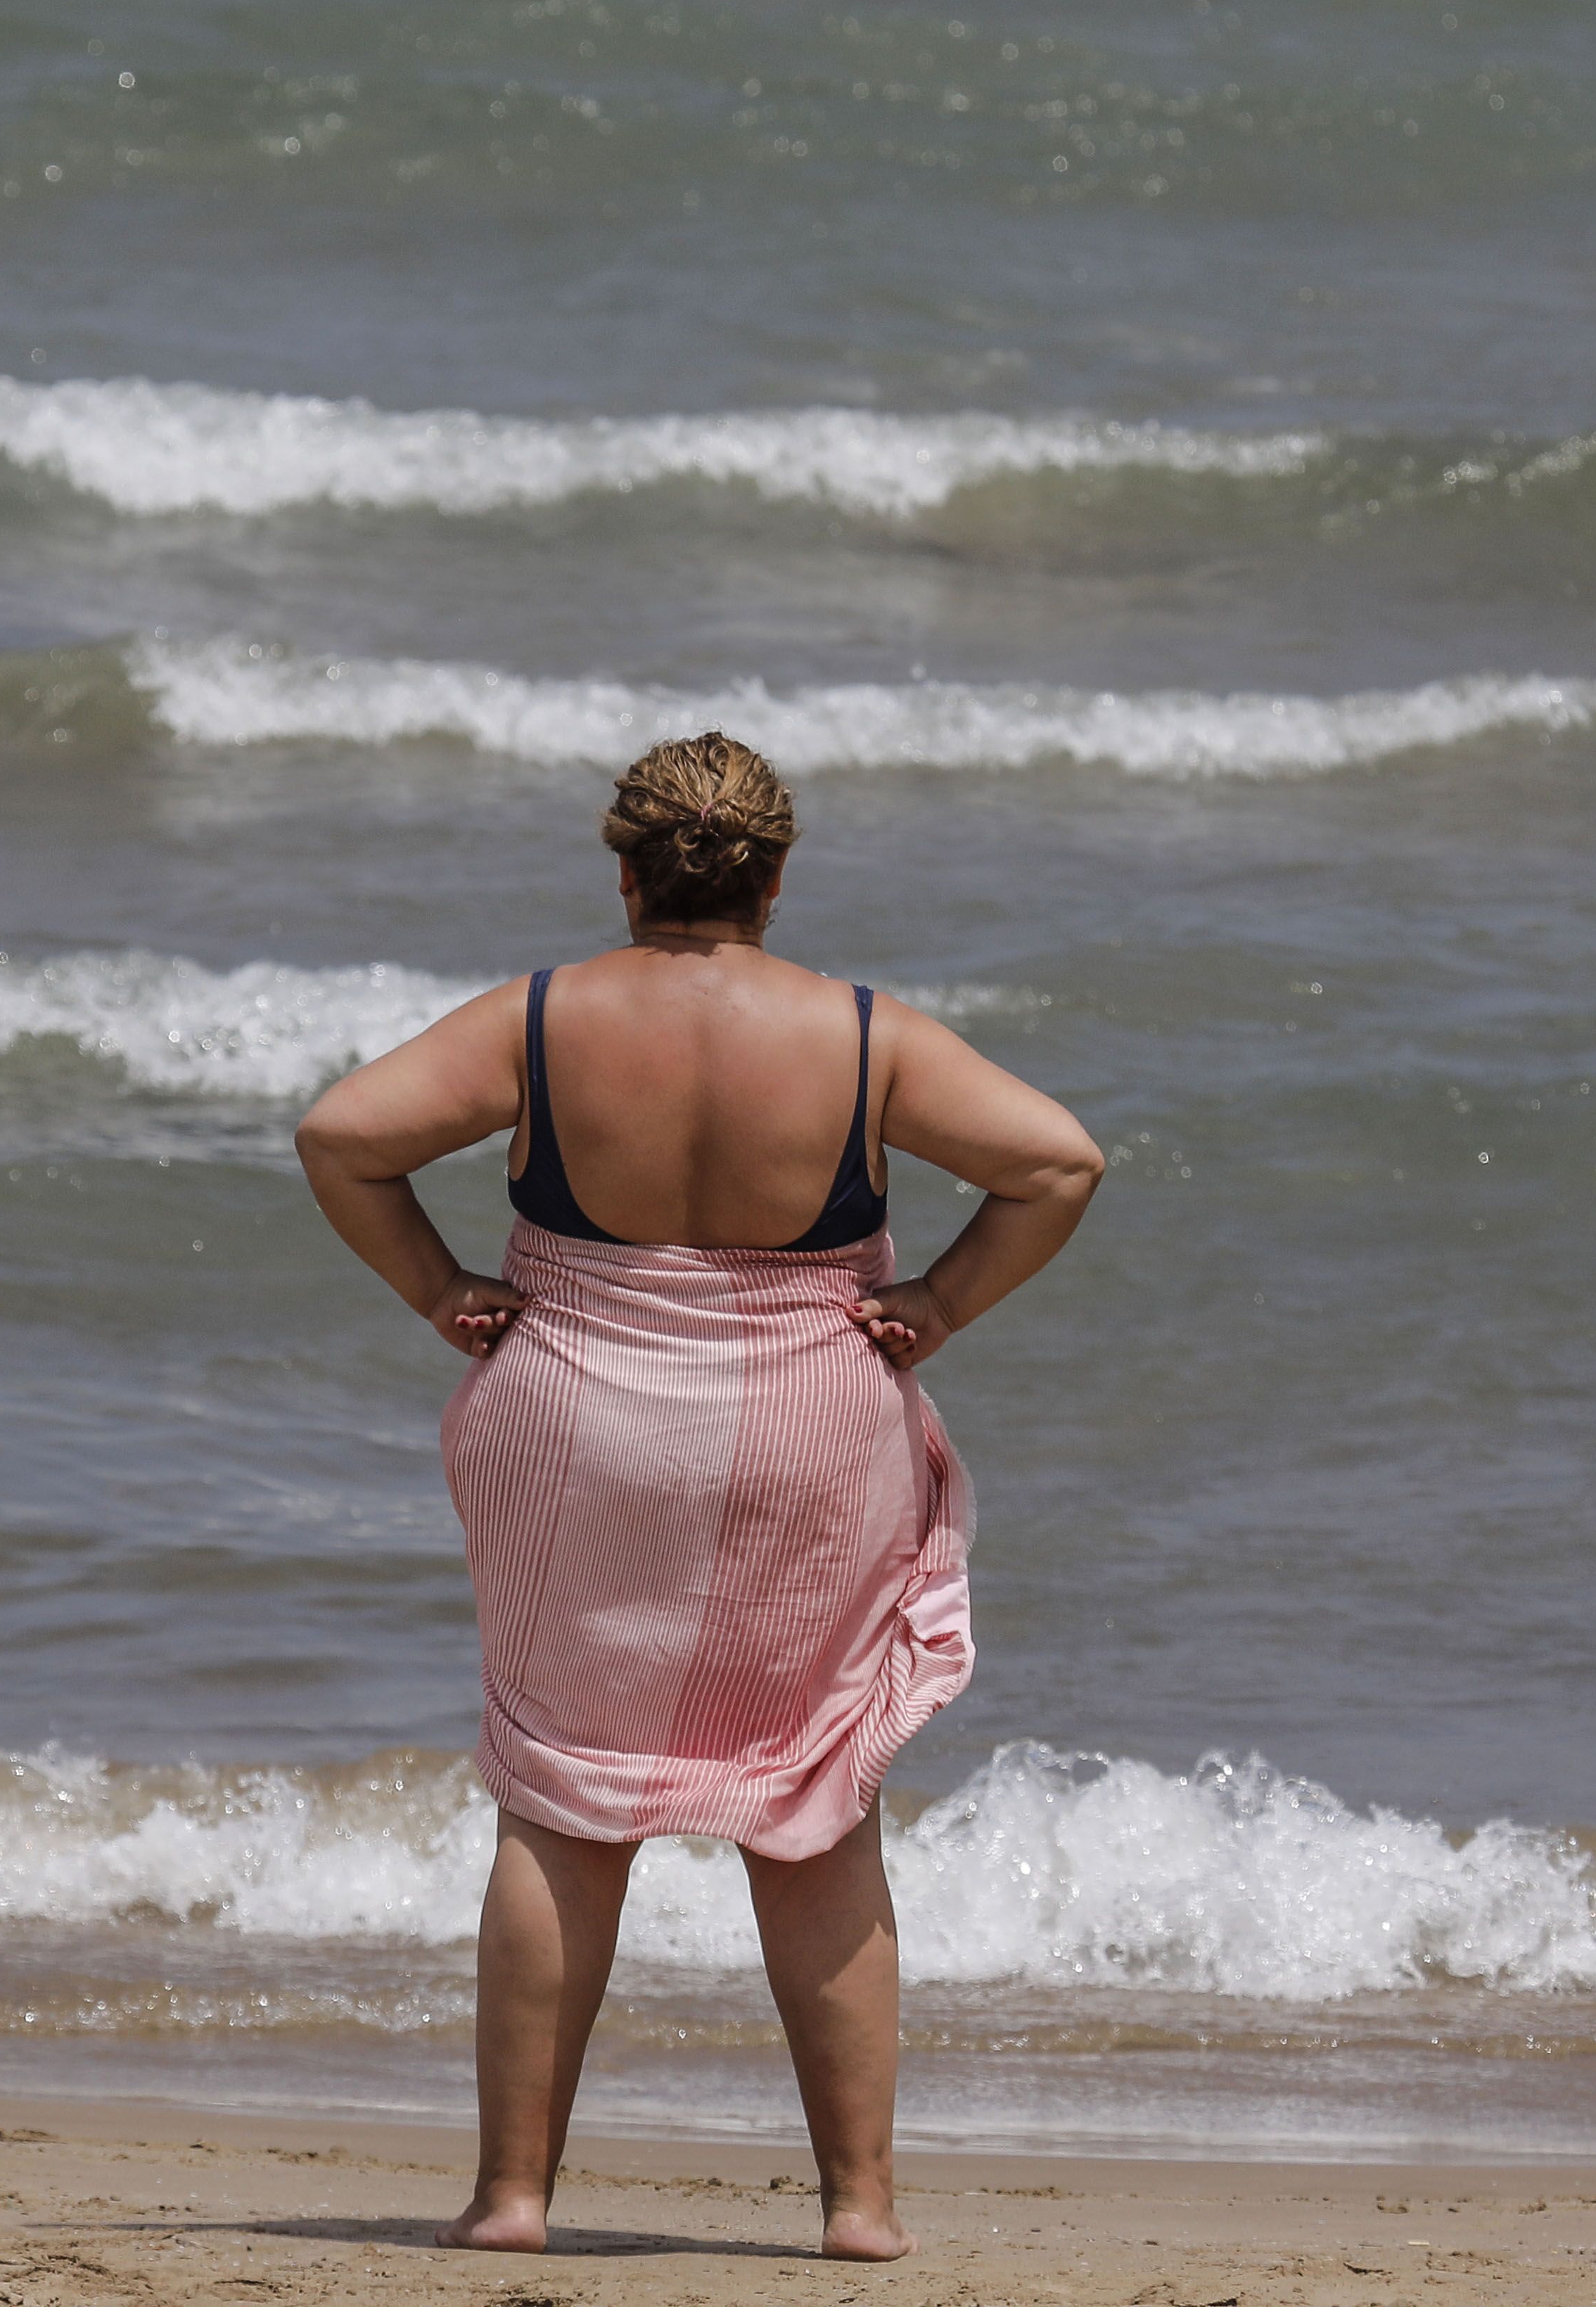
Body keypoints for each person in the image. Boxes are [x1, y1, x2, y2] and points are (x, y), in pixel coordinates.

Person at [295, 733, 1106, 2262]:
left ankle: (513, 2197)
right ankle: (857, 2209)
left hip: (577, 1414)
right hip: (807, 1422)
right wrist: (936, 1299)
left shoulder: (540, 1018)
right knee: (812, 1807)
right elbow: (1057, 1164)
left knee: (560, 1802)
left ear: (622, 872)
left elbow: (342, 1136)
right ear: (777, 879)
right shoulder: (860, 1036)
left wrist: (438, 1287)